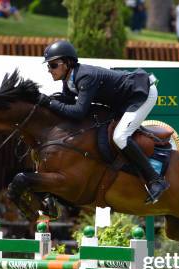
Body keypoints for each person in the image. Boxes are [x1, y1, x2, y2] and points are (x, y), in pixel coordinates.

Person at [37, 40, 169, 203]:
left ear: (67, 63)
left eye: (53, 65)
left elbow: (78, 112)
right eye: (48, 66)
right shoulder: (69, 79)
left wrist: (49, 103)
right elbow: (66, 102)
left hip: (141, 94)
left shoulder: (85, 77)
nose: (49, 70)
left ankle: (156, 180)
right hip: (123, 99)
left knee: (120, 136)